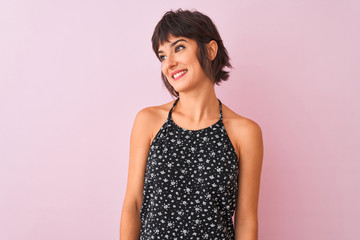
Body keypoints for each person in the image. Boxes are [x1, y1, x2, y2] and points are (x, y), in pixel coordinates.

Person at [120, 8, 263, 240]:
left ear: (210, 49)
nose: (170, 63)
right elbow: (133, 206)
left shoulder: (245, 132)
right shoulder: (148, 121)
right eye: (162, 56)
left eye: (179, 47)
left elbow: (246, 220)